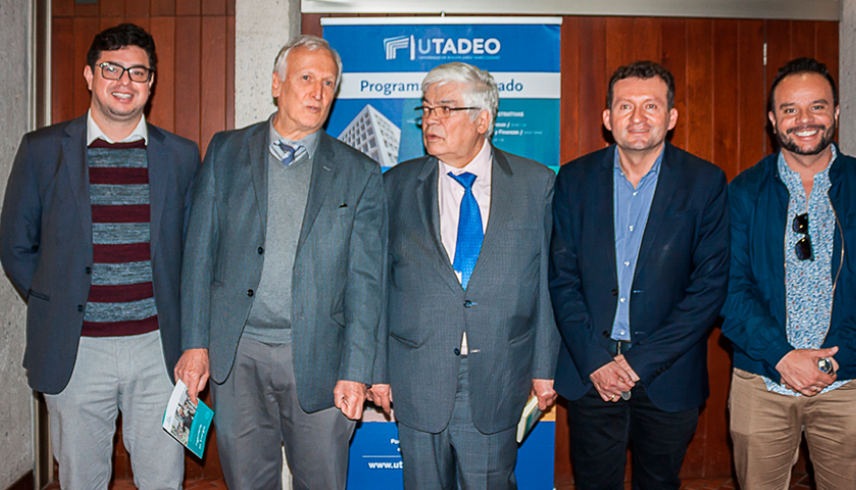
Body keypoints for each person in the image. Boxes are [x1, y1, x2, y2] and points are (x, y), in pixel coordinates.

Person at [174, 34, 387, 490]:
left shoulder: (360, 172)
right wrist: (194, 343)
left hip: (321, 358)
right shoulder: (226, 152)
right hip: (236, 354)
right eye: (306, 78)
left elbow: (366, 282)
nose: (318, 92)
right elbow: (198, 253)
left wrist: (357, 370)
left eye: (328, 83)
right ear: (277, 84)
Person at [0, 23, 200, 490]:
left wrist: (196, 343)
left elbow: (196, 251)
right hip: (75, 351)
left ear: (151, 83)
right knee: (80, 480)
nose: (124, 81)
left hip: (161, 351)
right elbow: (15, 245)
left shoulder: (182, 156)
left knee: (165, 479)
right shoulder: (41, 149)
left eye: (138, 72)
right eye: (112, 69)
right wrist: (57, 300)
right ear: (90, 75)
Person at [367, 62, 559, 490]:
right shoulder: (395, 185)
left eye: (446, 108)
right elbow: (377, 286)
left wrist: (545, 368)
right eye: (426, 109)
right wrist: (377, 370)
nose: (431, 120)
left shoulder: (536, 184)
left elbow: (547, 285)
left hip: (497, 374)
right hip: (417, 373)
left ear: (483, 120)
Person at [549, 60, 729, 490]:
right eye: (625, 106)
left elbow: (708, 288)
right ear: (607, 117)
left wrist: (637, 363)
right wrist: (597, 362)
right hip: (591, 371)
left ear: (672, 117)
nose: (638, 117)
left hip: (669, 374)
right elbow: (562, 278)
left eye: (651, 105)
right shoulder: (574, 179)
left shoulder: (705, 183)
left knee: (659, 483)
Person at [722, 57, 856, 490]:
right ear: (772, 119)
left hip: (848, 382)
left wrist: (828, 361)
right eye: (790, 109)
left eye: (817, 107)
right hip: (761, 381)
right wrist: (782, 356)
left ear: (835, 112)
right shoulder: (742, 193)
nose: (804, 120)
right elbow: (729, 287)